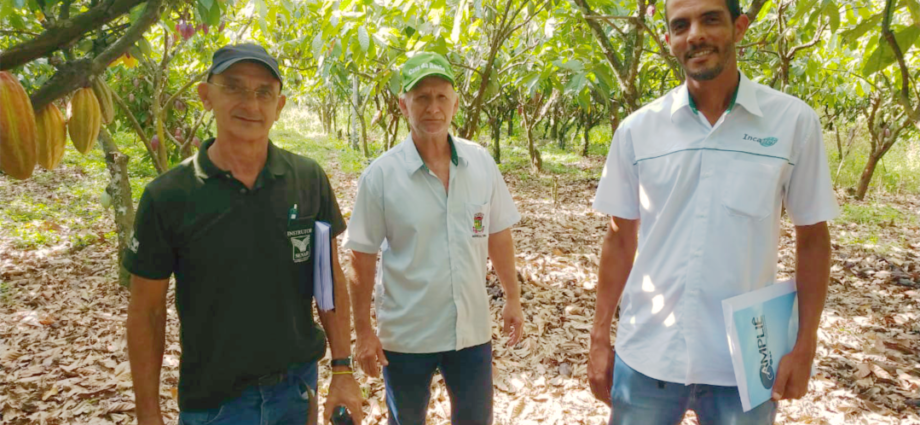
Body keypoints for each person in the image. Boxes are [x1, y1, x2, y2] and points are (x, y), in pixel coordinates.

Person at [587, 0, 838, 423]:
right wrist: (598, 337)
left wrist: (805, 342)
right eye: (681, 25)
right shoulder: (638, 130)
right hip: (648, 353)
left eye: (710, 19)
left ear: (739, 27)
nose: (695, 35)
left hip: (744, 364)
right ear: (669, 39)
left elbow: (813, 239)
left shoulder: (792, 122)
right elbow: (619, 237)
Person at [125, 43, 364, 425]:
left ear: (279, 106)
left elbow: (327, 280)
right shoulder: (169, 196)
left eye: (263, 92)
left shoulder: (307, 180)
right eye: (234, 87)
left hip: (296, 390)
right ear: (206, 96)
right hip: (215, 403)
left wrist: (342, 369)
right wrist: (148, 414)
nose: (250, 104)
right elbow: (147, 311)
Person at [343, 52, 524, 425]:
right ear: (403, 104)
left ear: (455, 104)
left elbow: (498, 234)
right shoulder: (381, 176)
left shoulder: (480, 164)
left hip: (470, 332)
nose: (433, 108)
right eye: (422, 97)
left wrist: (512, 298)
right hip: (407, 337)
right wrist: (363, 332)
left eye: (442, 97)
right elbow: (361, 256)